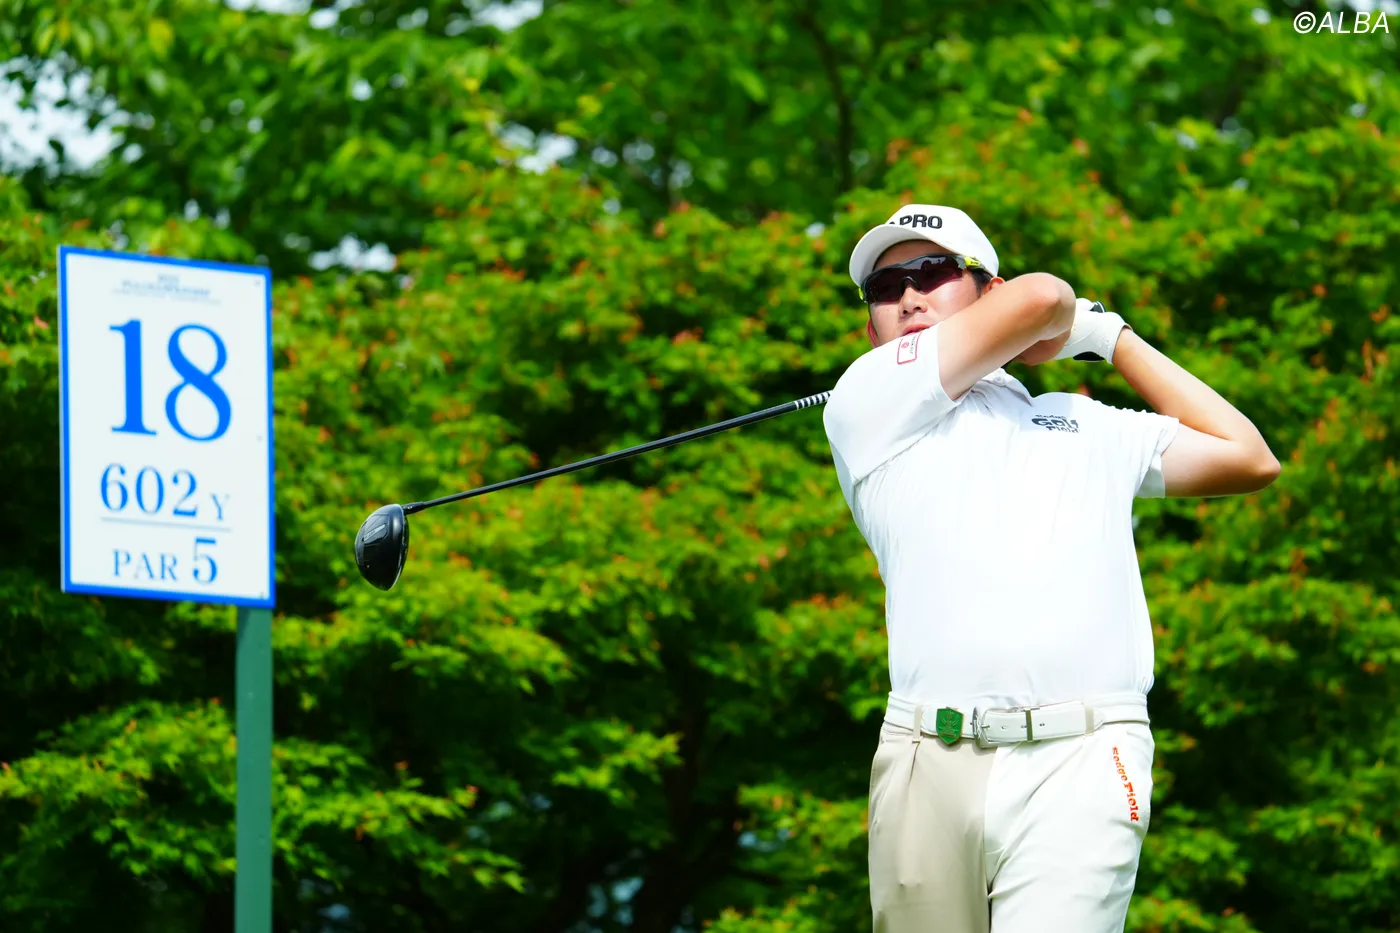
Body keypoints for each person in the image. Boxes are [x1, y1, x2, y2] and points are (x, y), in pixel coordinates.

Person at [822, 204, 1281, 933]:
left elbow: (1248, 457)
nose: (908, 297)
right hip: (924, 756)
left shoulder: (1084, 421)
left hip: (1085, 758)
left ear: (989, 290)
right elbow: (1042, 299)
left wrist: (1108, 337)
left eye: (933, 273)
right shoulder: (866, 398)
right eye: (885, 287)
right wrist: (1051, 320)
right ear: (870, 327)